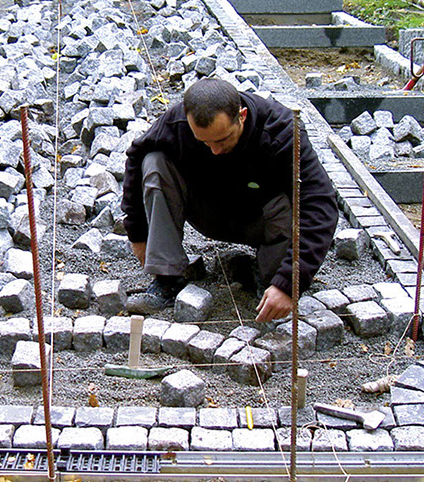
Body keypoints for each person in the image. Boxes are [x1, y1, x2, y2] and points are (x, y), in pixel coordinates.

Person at [121, 78, 338, 322]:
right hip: (208, 213)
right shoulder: (177, 121)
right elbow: (136, 156)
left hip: (262, 220)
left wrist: (289, 282)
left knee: (295, 201)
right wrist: (137, 232)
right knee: (154, 162)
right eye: (204, 142)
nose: (214, 150)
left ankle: (267, 276)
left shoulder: (282, 130)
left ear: (242, 116)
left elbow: (321, 204)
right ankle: (167, 280)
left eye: (222, 139)